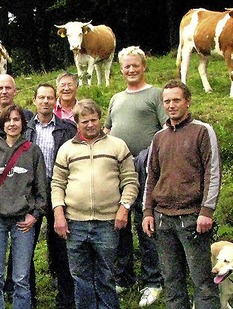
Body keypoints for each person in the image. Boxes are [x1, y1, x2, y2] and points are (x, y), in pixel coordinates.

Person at [51, 99, 139, 309]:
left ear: (100, 120)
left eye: (94, 120)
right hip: (75, 223)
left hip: (107, 222)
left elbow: (130, 181)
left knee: (106, 276)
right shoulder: (66, 149)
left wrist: (124, 208)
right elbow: (57, 184)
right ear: (76, 122)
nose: (90, 125)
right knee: (80, 277)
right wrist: (59, 214)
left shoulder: (117, 145)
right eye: (85, 121)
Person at [142, 80, 221, 309]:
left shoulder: (203, 131)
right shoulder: (159, 137)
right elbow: (151, 177)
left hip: (193, 219)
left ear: (187, 101)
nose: (171, 105)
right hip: (162, 220)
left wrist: (207, 211)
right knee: (172, 281)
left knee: (203, 282)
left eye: (176, 100)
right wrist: (148, 212)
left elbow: (212, 172)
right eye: (167, 101)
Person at [104, 46, 167, 306]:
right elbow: (108, 129)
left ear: (144, 66)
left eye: (135, 65)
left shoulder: (156, 95)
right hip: (118, 167)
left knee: (145, 221)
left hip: (145, 165)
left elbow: (166, 130)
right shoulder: (116, 98)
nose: (131, 69)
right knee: (119, 223)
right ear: (121, 69)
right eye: (127, 66)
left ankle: (153, 281)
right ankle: (124, 277)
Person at [0, 104, 47, 309]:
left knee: (21, 277)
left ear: (23, 123)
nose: (12, 124)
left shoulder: (33, 152)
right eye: (8, 120)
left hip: (23, 221)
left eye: (16, 120)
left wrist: (35, 214)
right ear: (2, 124)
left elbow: (42, 190)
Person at [25, 83, 77, 309]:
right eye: (41, 98)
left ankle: (65, 299)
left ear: (54, 101)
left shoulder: (67, 128)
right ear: (34, 100)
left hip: (59, 192)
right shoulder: (25, 129)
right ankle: (27, 298)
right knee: (25, 248)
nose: (45, 102)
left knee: (61, 249)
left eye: (49, 98)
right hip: (31, 194)